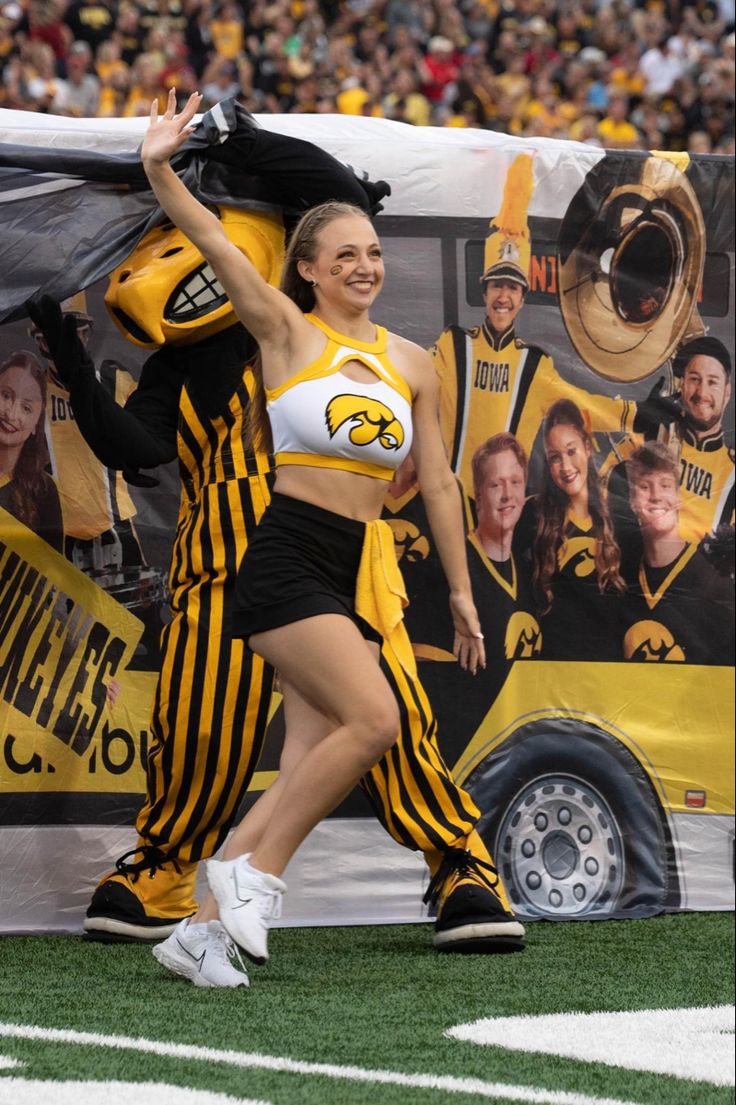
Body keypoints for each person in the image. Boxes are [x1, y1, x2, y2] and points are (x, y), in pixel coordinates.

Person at [30, 105, 524, 981]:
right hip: (244, 565)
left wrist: (235, 133)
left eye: (371, 255)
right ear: (307, 267)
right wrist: (71, 354)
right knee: (226, 730)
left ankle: (248, 914)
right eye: (347, 257)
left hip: (353, 561)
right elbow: (134, 446)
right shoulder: (261, 332)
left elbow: (332, 197)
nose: (363, 266)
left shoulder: (378, 342)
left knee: (368, 731)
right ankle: (186, 867)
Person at [429, 153, 655, 505]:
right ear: (484, 291)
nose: (503, 296)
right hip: (446, 502)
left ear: (522, 298)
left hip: (506, 513)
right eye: (497, 286)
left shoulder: (534, 364)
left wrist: (639, 414)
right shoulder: (452, 344)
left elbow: (582, 407)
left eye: (512, 288)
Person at [607, 336, 734, 573]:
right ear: (682, 385)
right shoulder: (653, 433)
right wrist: (638, 417)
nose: (702, 392)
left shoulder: (733, 474)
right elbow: (602, 490)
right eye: (694, 380)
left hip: (697, 601)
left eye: (712, 382)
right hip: (635, 585)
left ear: (727, 392)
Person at [621, 441, 734, 665]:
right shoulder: (622, 580)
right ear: (632, 501)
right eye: (644, 486)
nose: (656, 496)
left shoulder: (714, 583)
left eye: (665, 485)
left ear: (679, 497)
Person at [530, 398, 625, 661]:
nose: (566, 467)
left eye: (571, 451)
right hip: (553, 672)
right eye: (555, 458)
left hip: (609, 672)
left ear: (587, 447)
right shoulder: (537, 521)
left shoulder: (617, 518)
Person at [0, 349, 63, 552]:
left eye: (26, 408)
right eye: (6, 395)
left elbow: (53, 571)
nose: (11, 413)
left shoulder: (43, 490)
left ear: (36, 423)